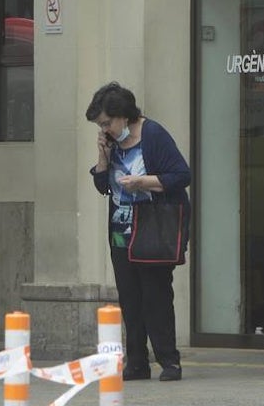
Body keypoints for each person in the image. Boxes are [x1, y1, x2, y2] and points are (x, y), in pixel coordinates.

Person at [88, 81, 191, 382]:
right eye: (100, 125)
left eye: (107, 122)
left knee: (155, 295)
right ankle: (136, 361)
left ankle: (169, 360)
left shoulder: (153, 134)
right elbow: (102, 186)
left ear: (123, 115)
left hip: (152, 228)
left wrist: (143, 182)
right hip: (121, 230)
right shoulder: (112, 144)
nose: (105, 129)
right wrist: (103, 157)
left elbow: (181, 174)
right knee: (130, 297)